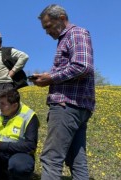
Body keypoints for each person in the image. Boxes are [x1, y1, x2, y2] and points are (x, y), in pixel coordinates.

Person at [31, 4, 95, 179]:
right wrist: (49, 76)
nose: (47, 32)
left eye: (48, 26)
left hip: (67, 106)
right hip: (78, 106)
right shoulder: (68, 38)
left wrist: (51, 78)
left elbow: (83, 66)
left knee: (51, 158)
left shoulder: (75, 33)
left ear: (61, 18)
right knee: (77, 159)